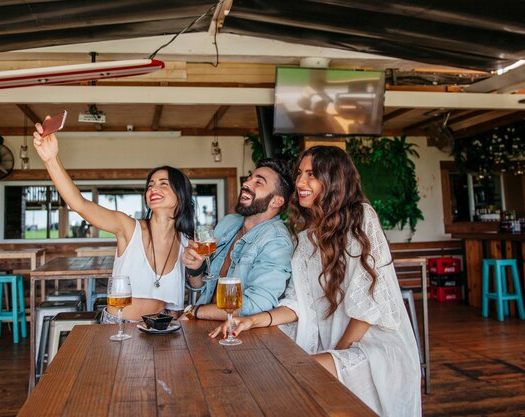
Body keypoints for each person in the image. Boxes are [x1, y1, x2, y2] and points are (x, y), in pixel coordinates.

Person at [210, 146, 421, 416]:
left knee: (289, 378)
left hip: (371, 348)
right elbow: (297, 303)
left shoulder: (361, 218)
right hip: (332, 344)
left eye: (311, 174)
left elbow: (368, 306)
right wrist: (252, 320)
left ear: (333, 179)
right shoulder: (305, 238)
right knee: (266, 371)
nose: (300, 182)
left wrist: (335, 355)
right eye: (299, 174)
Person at [33, 117, 195, 322]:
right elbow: (80, 204)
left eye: (163, 184)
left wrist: (197, 268)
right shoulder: (128, 227)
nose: (153, 188)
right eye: (150, 184)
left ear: (180, 195)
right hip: (119, 330)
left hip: (163, 332)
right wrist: (51, 160)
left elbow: (196, 284)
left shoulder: (186, 241)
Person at [181, 158, 293, 320]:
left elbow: (257, 304)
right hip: (207, 323)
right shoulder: (229, 222)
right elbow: (203, 289)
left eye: (258, 182)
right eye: (249, 179)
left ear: (277, 201)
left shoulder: (276, 241)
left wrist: (193, 312)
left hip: (243, 335)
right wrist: (195, 269)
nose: (246, 184)